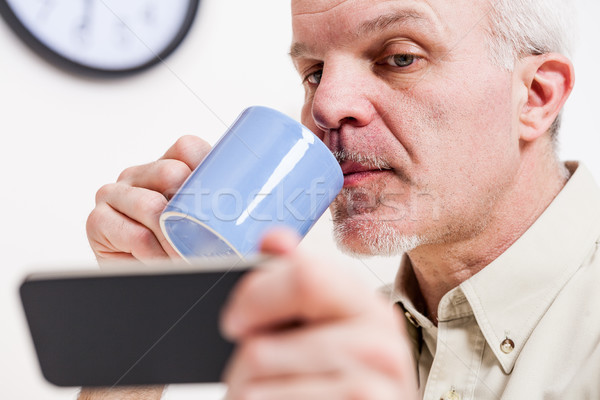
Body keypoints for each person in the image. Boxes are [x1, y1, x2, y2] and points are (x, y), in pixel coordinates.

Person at [80, 0, 600, 399]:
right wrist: (144, 329)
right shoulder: (320, 358)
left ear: (534, 97)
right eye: (313, 72)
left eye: (400, 57)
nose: (324, 106)